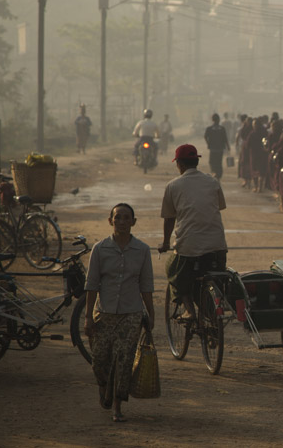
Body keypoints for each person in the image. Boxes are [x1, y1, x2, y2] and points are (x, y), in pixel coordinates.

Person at [83, 203, 155, 422]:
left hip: (131, 314)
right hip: (103, 314)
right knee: (99, 361)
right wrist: (88, 317)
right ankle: (104, 387)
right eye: (118, 217)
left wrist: (150, 314)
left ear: (133, 222)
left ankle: (117, 406)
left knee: (124, 362)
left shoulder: (142, 250)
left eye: (126, 218)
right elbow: (92, 284)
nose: (122, 222)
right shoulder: (99, 249)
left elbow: (146, 285)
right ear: (110, 221)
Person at [157, 144, 228, 321]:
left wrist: (166, 243)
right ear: (196, 161)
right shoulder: (212, 181)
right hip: (217, 247)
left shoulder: (173, 186)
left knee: (172, 269)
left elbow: (169, 218)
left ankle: (189, 310)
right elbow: (220, 206)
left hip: (189, 248)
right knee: (213, 276)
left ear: (179, 164)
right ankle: (212, 316)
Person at [204, 113, 231, 180]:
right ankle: (218, 175)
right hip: (219, 149)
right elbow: (225, 138)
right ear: (218, 120)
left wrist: (208, 144)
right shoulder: (222, 129)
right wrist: (228, 146)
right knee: (218, 162)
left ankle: (215, 173)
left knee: (212, 162)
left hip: (213, 149)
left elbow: (205, 136)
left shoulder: (209, 128)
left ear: (212, 120)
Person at [247, 119, 269, 193]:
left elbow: (247, 144)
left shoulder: (252, 133)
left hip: (256, 155)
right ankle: (259, 187)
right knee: (259, 172)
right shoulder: (263, 133)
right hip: (260, 154)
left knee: (257, 172)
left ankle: (258, 187)